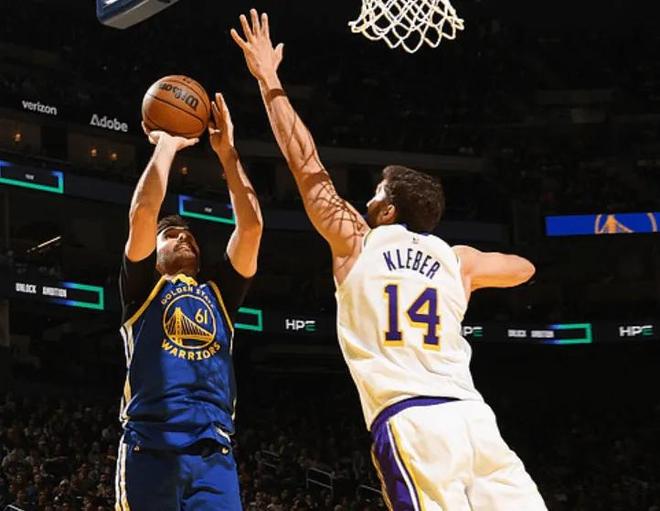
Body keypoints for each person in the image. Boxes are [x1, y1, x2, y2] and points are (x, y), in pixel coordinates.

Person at [231, 10, 547, 510]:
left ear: (389, 209)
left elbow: (306, 165)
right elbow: (523, 268)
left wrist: (269, 80)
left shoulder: (357, 241)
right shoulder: (457, 260)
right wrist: (468, 280)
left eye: (377, 192)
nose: (368, 198)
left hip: (413, 421)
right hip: (474, 421)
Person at [116, 92, 262, 510]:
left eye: (189, 236)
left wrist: (228, 154)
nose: (183, 237)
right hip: (151, 443)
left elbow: (251, 227)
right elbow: (143, 212)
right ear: (154, 250)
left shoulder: (219, 293)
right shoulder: (143, 288)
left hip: (214, 450)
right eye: (171, 236)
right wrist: (167, 143)